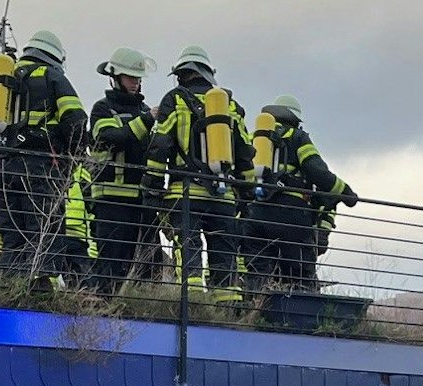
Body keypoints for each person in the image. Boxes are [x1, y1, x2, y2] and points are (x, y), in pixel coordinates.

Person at [143, 45, 253, 306]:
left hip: (186, 193)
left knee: (188, 249)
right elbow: (245, 152)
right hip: (223, 196)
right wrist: (246, 193)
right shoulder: (230, 106)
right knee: (224, 254)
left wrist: (153, 189)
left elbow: (159, 146)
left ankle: (192, 307)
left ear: (181, 75)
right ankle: (225, 309)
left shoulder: (175, 100)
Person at [0, 30, 87, 285]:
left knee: (13, 237)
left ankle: (10, 288)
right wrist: (76, 155)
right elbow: (76, 120)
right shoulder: (51, 75)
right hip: (39, 167)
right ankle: (43, 294)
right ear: (55, 56)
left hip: (2, 166)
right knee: (45, 231)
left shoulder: (5, 77)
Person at [247, 95, 356, 291]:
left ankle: (256, 313)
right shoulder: (297, 137)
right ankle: (299, 314)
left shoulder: (255, 138)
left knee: (258, 273)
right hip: (292, 216)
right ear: (295, 120)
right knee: (299, 276)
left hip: (256, 214)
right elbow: (317, 172)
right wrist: (346, 193)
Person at [87, 47, 158, 293]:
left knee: (142, 265)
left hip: (141, 201)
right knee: (110, 264)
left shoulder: (142, 110)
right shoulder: (102, 109)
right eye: (131, 78)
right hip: (111, 200)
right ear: (115, 76)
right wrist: (147, 120)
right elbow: (112, 138)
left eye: (138, 78)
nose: (136, 83)